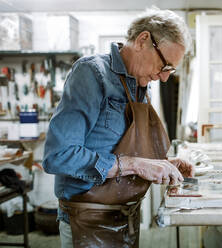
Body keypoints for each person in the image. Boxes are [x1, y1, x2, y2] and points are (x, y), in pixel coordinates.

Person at [42, 7, 193, 248]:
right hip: (88, 222)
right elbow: (57, 156)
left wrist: (164, 164)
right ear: (143, 40)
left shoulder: (141, 85)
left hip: (125, 219)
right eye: (165, 66)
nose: (164, 78)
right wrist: (135, 164)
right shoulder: (92, 73)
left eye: (170, 70)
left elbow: (127, 150)